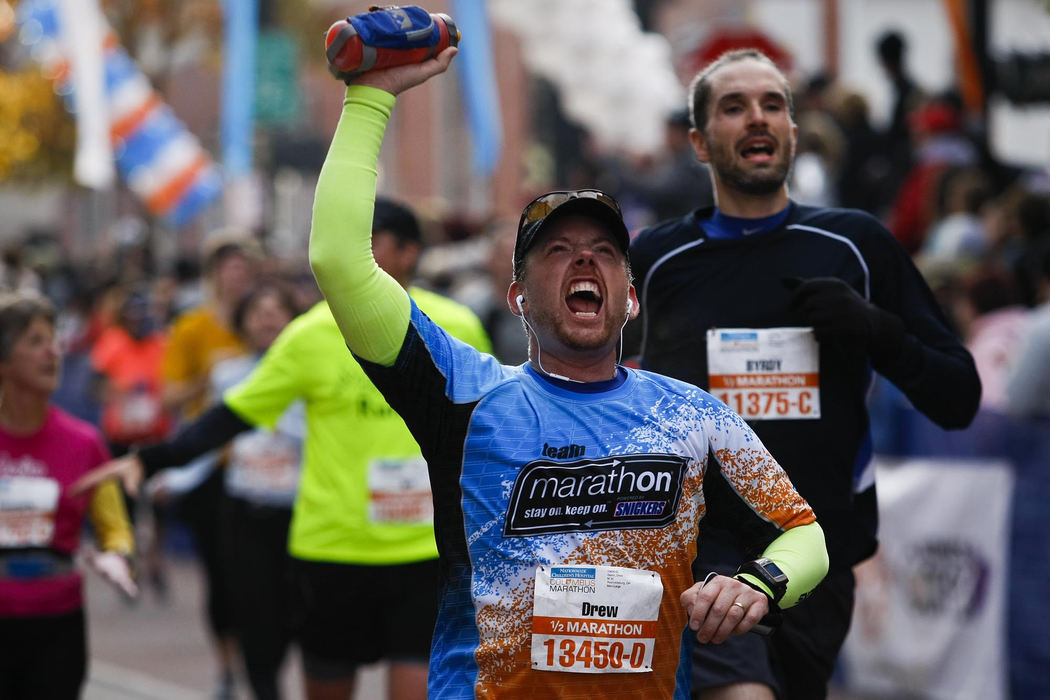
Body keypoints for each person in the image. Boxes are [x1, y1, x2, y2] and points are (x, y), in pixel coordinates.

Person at [304, 46, 827, 698]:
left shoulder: (690, 414)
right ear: (519, 298)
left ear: (630, 297)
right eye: (558, 251)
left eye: (605, 252)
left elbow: (804, 535)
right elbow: (338, 261)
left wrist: (758, 585)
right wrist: (370, 97)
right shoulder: (465, 393)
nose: (585, 262)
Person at [627, 49, 982, 699]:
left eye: (773, 105)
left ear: (794, 131)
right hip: (699, 552)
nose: (757, 118)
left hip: (818, 554)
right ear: (701, 144)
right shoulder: (657, 257)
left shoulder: (854, 245)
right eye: (734, 107)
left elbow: (958, 396)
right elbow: (601, 386)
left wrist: (876, 329)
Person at [73, 198, 493, 700]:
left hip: (424, 552)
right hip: (332, 551)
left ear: (408, 252)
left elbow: (490, 425)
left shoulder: (456, 325)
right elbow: (232, 416)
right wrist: (150, 460)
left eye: (368, 241)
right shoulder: (310, 333)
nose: (348, 253)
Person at [0, 292, 137, 699]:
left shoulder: (85, 442)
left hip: (57, 621)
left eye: (55, 340)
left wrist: (117, 556)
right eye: (36, 341)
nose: (53, 353)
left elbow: (115, 529)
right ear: (4, 361)